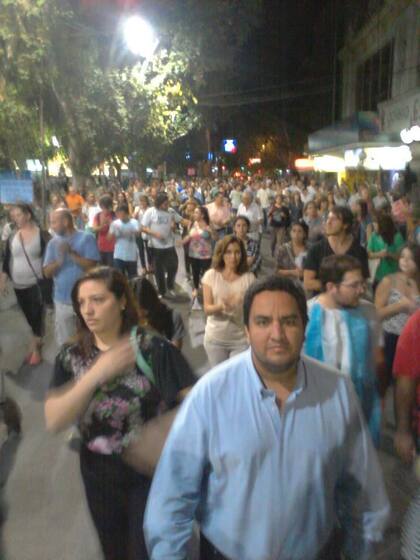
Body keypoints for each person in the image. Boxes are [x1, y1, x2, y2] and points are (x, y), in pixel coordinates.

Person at [144, 275, 390, 560]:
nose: (277, 334)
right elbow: (172, 498)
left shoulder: (336, 390)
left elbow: (360, 486)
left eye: (288, 321)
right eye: (263, 322)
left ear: (304, 326)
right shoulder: (210, 395)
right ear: (246, 331)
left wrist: (361, 548)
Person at [44, 267, 195, 560]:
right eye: (82, 302)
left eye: (98, 300)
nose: (88, 309)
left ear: (122, 301)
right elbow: (54, 419)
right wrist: (95, 375)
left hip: (148, 473)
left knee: (146, 549)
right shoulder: (71, 356)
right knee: (113, 549)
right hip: (98, 473)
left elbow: (198, 406)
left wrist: (165, 430)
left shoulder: (152, 348)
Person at [304, 255, 383, 445]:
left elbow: (377, 360)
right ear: (332, 287)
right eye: (354, 285)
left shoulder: (368, 312)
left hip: (358, 412)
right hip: (317, 414)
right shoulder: (306, 315)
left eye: (363, 284)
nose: (362, 290)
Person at [0, 203, 50, 365]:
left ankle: (35, 349)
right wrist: (2, 281)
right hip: (18, 285)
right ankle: (37, 339)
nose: (15, 219)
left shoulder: (42, 235)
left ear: (28, 215)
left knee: (36, 316)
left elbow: (51, 259)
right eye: (13, 216)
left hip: (36, 284)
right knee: (28, 316)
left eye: (18, 215)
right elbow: (7, 261)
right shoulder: (13, 236)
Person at [43, 208, 100, 346]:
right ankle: (67, 366)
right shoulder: (52, 243)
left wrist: (72, 254)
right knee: (65, 342)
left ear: (66, 221)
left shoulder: (87, 238)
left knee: (90, 338)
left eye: (54, 222)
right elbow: (46, 273)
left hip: (85, 300)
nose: (52, 226)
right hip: (62, 301)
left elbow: (92, 267)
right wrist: (59, 262)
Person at [202, 235, 255, 367]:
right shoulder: (211, 275)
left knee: (236, 379)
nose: (233, 257)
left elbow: (254, 311)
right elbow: (207, 309)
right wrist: (221, 306)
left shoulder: (249, 278)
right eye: (229, 252)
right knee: (220, 380)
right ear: (222, 254)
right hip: (215, 339)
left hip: (240, 340)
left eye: (237, 252)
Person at [374, 243, 420, 399]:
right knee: (386, 384)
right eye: (402, 257)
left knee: (408, 385)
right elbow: (375, 314)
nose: (405, 261)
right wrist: (400, 306)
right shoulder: (389, 281)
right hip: (390, 338)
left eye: (410, 258)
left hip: (414, 340)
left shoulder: (418, 284)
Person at [304, 205, 369, 295]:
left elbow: (363, 282)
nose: (328, 222)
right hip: (323, 303)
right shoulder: (316, 249)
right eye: (328, 218)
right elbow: (308, 283)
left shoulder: (359, 251)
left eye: (334, 219)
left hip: (350, 303)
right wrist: (340, 287)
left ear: (345, 225)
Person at [141, 193, 182, 299]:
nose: (167, 206)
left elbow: (181, 220)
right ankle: (161, 291)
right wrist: (155, 234)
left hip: (169, 244)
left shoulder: (170, 211)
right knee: (158, 270)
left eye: (167, 203)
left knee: (173, 265)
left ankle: (170, 284)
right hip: (155, 246)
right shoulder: (151, 212)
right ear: (159, 204)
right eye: (165, 204)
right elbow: (143, 227)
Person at [133, 276, 186, 350]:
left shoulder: (173, 317)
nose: (139, 314)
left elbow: (174, 354)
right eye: (135, 309)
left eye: (143, 309)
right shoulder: (129, 323)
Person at [182, 206, 215, 309]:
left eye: (196, 213)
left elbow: (216, 238)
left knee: (205, 274)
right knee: (195, 272)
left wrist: (211, 230)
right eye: (194, 212)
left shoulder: (209, 225)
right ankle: (196, 288)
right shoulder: (193, 224)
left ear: (203, 215)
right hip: (194, 253)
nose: (194, 214)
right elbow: (190, 236)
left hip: (206, 255)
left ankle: (206, 290)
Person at [368, 213, 405, 288]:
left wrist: (389, 254)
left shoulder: (397, 237)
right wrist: (378, 254)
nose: (374, 227)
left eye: (375, 225)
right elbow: (368, 254)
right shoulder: (374, 235)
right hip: (378, 275)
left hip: (393, 275)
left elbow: (401, 256)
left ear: (383, 226)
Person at [108, 203, 139, 279]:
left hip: (131, 255)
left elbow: (137, 234)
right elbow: (109, 238)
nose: (118, 215)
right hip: (118, 255)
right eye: (117, 213)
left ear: (126, 213)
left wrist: (126, 231)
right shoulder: (115, 223)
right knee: (120, 279)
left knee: (133, 278)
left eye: (120, 213)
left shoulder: (134, 222)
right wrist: (112, 232)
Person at [276, 219, 308, 283]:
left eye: (300, 231)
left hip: (304, 286)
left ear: (304, 234)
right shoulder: (283, 249)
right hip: (286, 285)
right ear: (290, 233)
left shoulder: (310, 250)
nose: (296, 234)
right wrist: (292, 272)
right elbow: (276, 271)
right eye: (294, 231)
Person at [92, 195, 116, 267]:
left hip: (113, 247)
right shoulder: (97, 216)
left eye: (108, 206)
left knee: (112, 269)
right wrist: (102, 225)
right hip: (101, 247)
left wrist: (111, 223)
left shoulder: (114, 215)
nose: (106, 209)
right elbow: (94, 229)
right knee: (102, 269)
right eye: (104, 207)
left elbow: (119, 228)